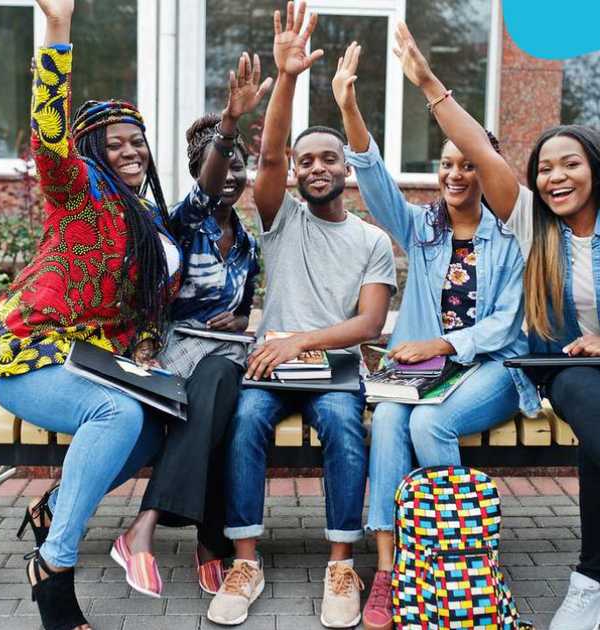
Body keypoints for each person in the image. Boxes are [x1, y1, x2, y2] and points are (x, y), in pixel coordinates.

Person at [390, 20, 600, 630]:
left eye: (568, 164)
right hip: (576, 373)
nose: (554, 178)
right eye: (544, 168)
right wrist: (428, 85)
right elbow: (481, 151)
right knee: (577, 388)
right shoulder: (529, 225)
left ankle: (591, 583)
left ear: (595, 169)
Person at [0, 0, 181, 627]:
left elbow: (139, 309)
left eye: (136, 141)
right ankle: (53, 565)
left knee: (153, 426)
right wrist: (58, 31)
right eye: (113, 144)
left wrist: (145, 347)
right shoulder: (79, 190)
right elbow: (49, 138)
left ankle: (54, 505)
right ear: (92, 153)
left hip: (94, 362)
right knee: (115, 412)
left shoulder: (148, 222)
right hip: (24, 350)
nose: (129, 151)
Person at [330, 39, 539, 630]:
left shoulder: (513, 233)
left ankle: (456, 556)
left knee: (428, 421)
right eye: (446, 163)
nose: (454, 172)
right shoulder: (422, 228)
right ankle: (391, 570)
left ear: (488, 170)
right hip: (422, 372)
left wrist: (445, 344)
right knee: (395, 418)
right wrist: (349, 107)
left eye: (468, 163)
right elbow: (373, 185)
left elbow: (507, 323)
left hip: (494, 367)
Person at [206, 3, 396, 627]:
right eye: (305, 160)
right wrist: (286, 77)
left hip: (332, 369)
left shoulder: (370, 240)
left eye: (327, 159)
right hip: (269, 365)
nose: (315, 167)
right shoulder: (280, 220)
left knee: (346, 429)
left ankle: (342, 560)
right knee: (247, 421)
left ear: (346, 170)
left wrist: (301, 341)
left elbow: (369, 325)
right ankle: (245, 560)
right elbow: (265, 163)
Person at [112, 52, 270, 598]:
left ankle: (152, 527)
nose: (229, 176)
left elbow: (247, 304)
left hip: (225, 351)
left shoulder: (248, 244)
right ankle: (204, 542)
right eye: (218, 165)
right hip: (181, 355)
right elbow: (204, 191)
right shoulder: (183, 219)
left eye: (236, 166)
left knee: (222, 392)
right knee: (217, 396)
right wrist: (228, 125)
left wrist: (243, 315)